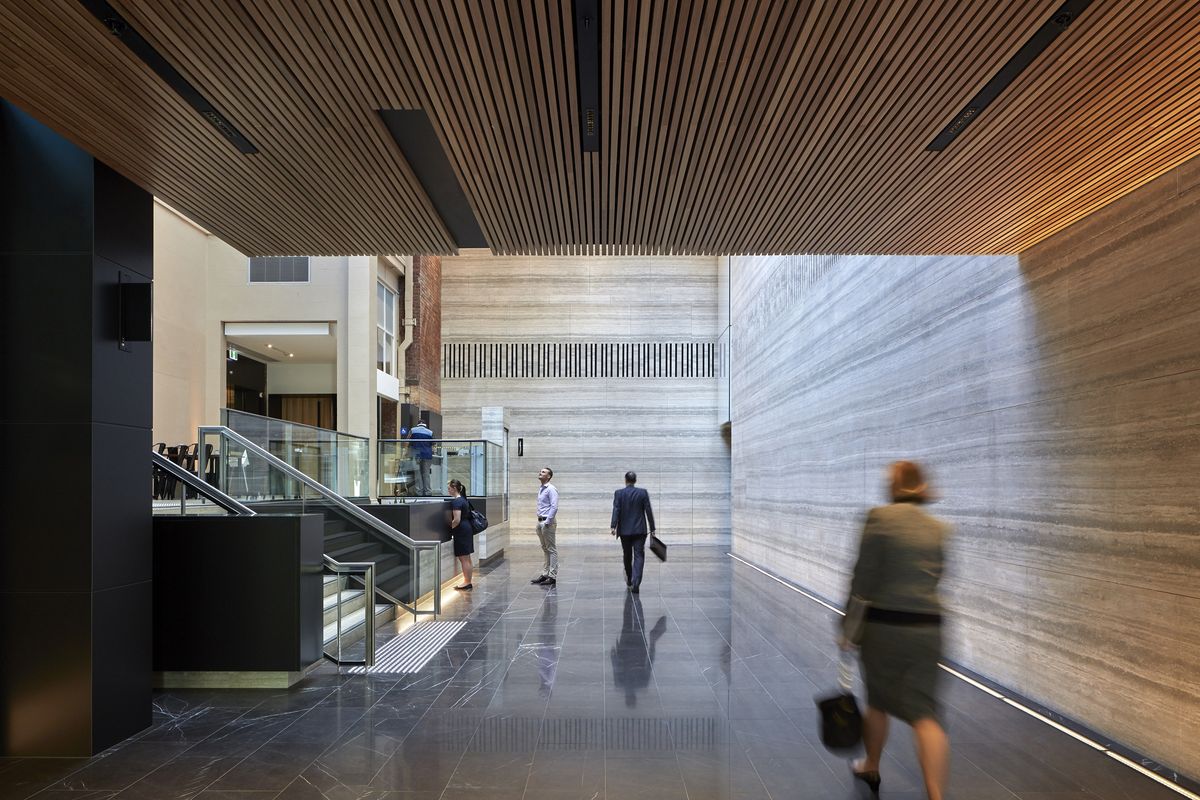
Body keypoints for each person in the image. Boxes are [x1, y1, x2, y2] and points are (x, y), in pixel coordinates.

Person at [841, 460, 951, 800]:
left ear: (896, 485)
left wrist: (849, 627)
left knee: (878, 700)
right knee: (925, 713)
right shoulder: (940, 529)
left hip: (885, 626)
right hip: (928, 628)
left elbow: (863, 578)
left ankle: (871, 765)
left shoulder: (878, 519)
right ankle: (935, 793)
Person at [610, 470, 656, 593]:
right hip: (640, 530)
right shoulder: (642, 493)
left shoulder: (619, 493)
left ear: (625, 480)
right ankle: (636, 582)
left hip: (624, 531)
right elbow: (648, 511)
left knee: (627, 554)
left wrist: (613, 526)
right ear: (635, 480)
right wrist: (652, 528)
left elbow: (616, 509)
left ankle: (630, 578)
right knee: (639, 555)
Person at [531, 466, 559, 587]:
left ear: (549, 476)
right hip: (540, 521)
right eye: (540, 471)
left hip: (547, 522)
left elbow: (554, 506)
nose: (540, 473)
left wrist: (548, 521)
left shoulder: (551, 489)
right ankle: (545, 574)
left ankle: (552, 576)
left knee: (551, 549)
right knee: (545, 548)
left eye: (543, 472)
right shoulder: (542, 488)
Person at [446, 479, 474, 591]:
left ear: (454, 489)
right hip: (467, 529)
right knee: (467, 558)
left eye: (449, 488)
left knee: (463, 558)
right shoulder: (463, 500)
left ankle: (467, 582)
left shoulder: (456, 502)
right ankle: (468, 581)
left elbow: (456, 520)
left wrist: (449, 529)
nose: (448, 490)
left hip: (461, 531)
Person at [409, 420, 434, 496]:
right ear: (425, 425)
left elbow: (407, 441)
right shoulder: (430, 432)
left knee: (417, 473)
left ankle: (418, 492)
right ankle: (428, 492)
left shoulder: (412, 430)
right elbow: (433, 444)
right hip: (427, 455)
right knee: (426, 474)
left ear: (418, 424)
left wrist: (404, 452)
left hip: (416, 455)